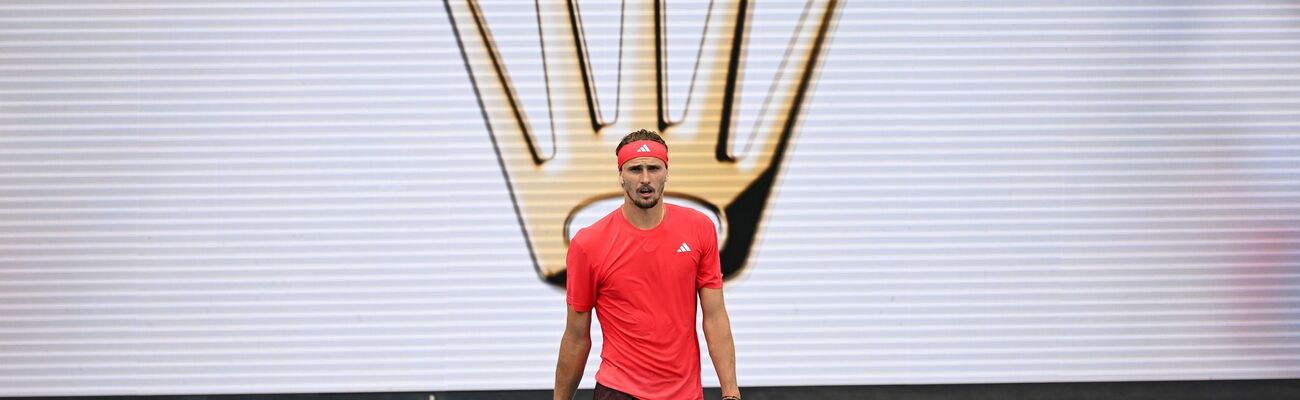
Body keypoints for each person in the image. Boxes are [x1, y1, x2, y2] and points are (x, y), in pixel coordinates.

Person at [554, 129, 741, 400]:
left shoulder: (699, 229)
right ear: (620, 175)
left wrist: (731, 393)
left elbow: (714, 317)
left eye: (653, 168)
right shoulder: (588, 244)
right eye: (634, 169)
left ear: (666, 172)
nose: (645, 179)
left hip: (685, 393)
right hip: (619, 391)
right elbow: (576, 337)